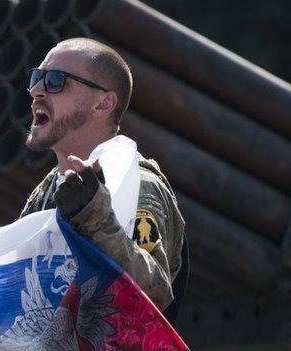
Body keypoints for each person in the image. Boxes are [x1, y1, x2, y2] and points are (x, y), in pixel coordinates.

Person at [20, 38, 188, 322]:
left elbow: (153, 295)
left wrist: (96, 216)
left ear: (103, 104)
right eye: (37, 78)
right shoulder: (46, 191)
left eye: (56, 80)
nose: (36, 91)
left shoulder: (136, 184)